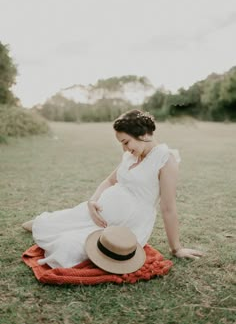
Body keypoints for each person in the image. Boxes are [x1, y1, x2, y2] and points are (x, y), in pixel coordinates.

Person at [22, 109, 203, 269]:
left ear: (144, 134)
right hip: (100, 212)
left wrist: (176, 248)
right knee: (44, 223)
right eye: (121, 144)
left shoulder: (166, 159)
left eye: (126, 142)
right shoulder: (131, 157)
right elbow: (109, 180)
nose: (124, 149)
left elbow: (168, 208)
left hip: (126, 225)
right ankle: (61, 222)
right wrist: (93, 202)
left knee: (66, 246)